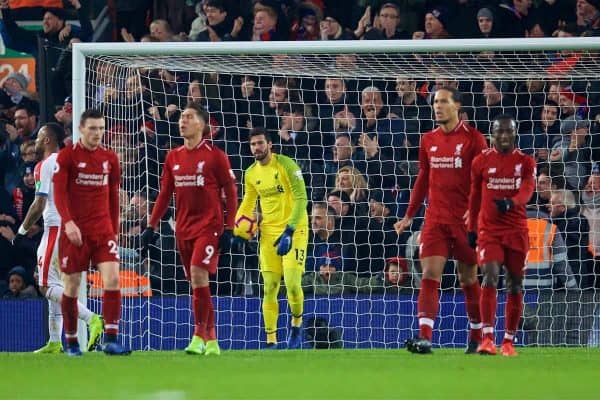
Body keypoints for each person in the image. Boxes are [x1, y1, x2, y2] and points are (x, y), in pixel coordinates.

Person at [395, 87, 488, 354]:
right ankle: (425, 336)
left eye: (444, 101)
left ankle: (476, 336)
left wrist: (477, 210)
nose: (438, 106)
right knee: (429, 274)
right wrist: (409, 215)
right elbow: (423, 178)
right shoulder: (428, 140)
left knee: (468, 277)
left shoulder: (475, 140)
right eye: (435, 102)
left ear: (457, 106)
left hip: (464, 221)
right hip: (435, 219)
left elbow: (482, 180)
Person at [141, 103, 238, 356]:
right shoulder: (173, 156)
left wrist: (229, 228)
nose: (182, 121)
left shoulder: (216, 155)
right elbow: (164, 195)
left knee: (198, 274)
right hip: (182, 229)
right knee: (197, 283)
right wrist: (151, 226)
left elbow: (231, 191)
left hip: (209, 226)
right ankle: (212, 341)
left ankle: (200, 335)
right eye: (181, 117)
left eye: (189, 117)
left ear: (202, 125)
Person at [12, 123, 103, 353]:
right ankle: (54, 341)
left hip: (56, 228)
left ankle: (92, 319)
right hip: (74, 228)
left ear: (49, 140)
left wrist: (21, 231)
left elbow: (39, 203)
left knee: (44, 285)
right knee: (56, 283)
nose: (36, 140)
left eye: (40, 136)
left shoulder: (44, 165)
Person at [52, 109, 130, 356]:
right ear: (81, 129)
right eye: (93, 128)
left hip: (102, 230)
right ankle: (72, 341)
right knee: (72, 286)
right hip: (75, 231)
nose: (98, 133)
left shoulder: (110, 158)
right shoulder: (66, 157)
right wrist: (68, 222)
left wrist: (114, 228)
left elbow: (113, 195)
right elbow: (60, 194)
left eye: (101, 128)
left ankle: (111, 339)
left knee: (114, 279)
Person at [233, 127, 309, 349]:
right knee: (269, 287)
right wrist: (237, 231)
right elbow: (247, 203)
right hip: (268, 233)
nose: (256, 147)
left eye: (260, 143)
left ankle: (296, 324)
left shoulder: (287, 165)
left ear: (269, 144)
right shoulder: (250, 173)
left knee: (293, 285)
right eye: (253, 144)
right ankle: (271, 341)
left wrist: (290, 230)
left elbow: (302, 198)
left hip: (295, 231)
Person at [467, 115, 536, 357]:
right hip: (489, 231)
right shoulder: (480, 162)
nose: (504, 136)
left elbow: (528, 190)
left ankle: (508, 341)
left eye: (509, 131)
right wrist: (471, 230)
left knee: (515, 283)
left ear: (515, 133)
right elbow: (474, 196)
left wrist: (512, 202)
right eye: (499, 132)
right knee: (490, 275)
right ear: (492, 134)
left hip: (517, 231)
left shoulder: (526, 162)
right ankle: (487, 339)